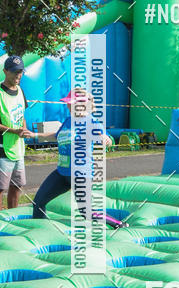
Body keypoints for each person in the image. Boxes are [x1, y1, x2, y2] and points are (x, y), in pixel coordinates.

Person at [32, 88, 111, 219]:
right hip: (62, 172)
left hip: (80, 173)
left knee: (86, 212)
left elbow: (106, 138)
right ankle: (38, 228)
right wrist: (34, 135)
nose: (68, 105)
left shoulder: (90, 121)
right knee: (38, 202)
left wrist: (105, 139)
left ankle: (119, 224)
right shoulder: (69, 120)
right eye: (68, 103)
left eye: (70, 103)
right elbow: (56, 135)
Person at [0, 55, 34, 210]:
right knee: (1, 187)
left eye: (20, 71)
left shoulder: (20, 90)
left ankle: (12, 217)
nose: (18, 75)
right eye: (14, 71)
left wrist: (24, 128)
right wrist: (14, 131)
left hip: (18, 148)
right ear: (5, 71)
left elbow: (22, 116)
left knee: (17, 185)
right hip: (3, 148)